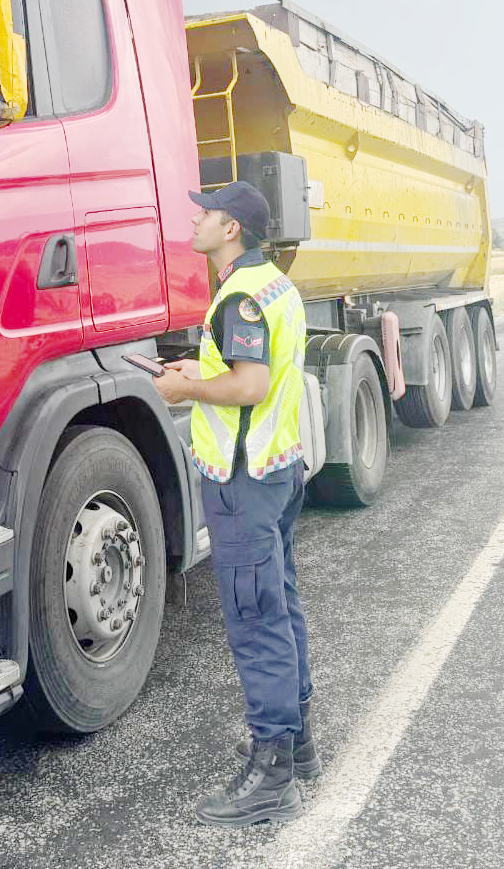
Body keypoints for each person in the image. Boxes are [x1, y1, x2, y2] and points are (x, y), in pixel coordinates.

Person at [151, 180, 317, 827]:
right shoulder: (274, 284)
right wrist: (198, 373)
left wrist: (181, 391)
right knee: (281, 602)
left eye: (208, 213)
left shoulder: (240, 295)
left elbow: (248, 385)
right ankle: (299, 746)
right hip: (275, 470)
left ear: (232, 230)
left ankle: (271, 773)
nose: (196, 218)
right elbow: (264, 374)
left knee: (256, 621)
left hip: (242, 480)